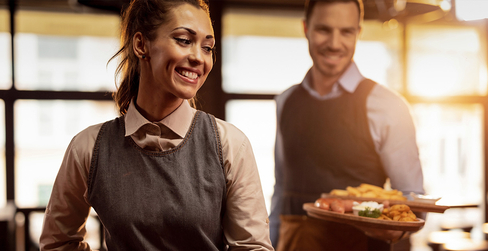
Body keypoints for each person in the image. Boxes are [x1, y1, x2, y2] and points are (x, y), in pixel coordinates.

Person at [39, 0, 273, 250]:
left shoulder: (230, 145)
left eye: (207, 47)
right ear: (141, 44)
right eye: (184, 40)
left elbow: (252, 247)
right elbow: (58, 243)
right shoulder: (88, 148)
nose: (198, 57)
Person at [268, 0, 425, 250]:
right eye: (323, 30)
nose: (334, 43)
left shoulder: (388, 106)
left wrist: (393, 231)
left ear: (358, 33)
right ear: (306, 28)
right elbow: (282, 191)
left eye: (346, 31)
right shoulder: (286, 101)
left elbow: (413, 201)